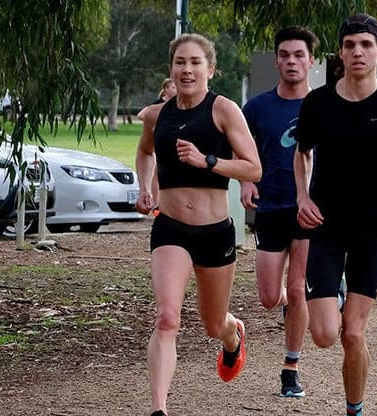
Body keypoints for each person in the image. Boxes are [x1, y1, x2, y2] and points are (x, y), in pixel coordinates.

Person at [293, 13, 377, 416]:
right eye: (350, 45)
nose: (358, 52)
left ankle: (354, 409)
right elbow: (301, 152)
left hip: (371, 228)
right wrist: (303, 197)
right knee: (323, 335)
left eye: (366, 45)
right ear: (340, 52)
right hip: (325, 226)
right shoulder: (318, 103)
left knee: (353, 333)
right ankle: (331, 293)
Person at [134, 33, 262, 416]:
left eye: (195, 62)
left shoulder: (223, 110)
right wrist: (145, 187)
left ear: (210, 68)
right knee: (167, 317)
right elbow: (144, 152)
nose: (187, 70)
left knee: (211, 324)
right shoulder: (157, 115)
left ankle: (232, 335)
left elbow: (253, 167)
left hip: (214, 231)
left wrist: (207, 161)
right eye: (180, 62)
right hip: (170, 227)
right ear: (171, 68)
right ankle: (159, 408)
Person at [239, 25, 320, 399]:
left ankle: (291, 368)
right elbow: (241, 152)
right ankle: (292, 303)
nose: (292, 61)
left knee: (297, 287)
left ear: (311, 61)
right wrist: (244, 182)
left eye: (298, 55)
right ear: (276, 61)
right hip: (269, 206)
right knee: (271, 297)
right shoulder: (256, 108)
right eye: (285, 55)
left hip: (309, 209)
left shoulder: (323, 106)